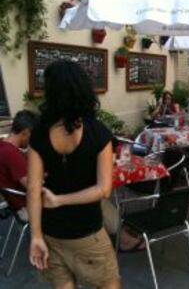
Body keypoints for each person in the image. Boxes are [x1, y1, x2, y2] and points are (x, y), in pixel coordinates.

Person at [27, 61, 121, 288]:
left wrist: (36, 236)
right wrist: (59, 200)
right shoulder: (98, 132)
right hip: (87, 233)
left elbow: (33, 189)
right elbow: (104, 189)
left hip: (51, 234)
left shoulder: (39, 134)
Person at [0, 110, 37, 221]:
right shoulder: (12, 154)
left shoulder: (3, 145)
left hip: (13, 203)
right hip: (26, 207)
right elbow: (32, 187)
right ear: (26, 132)